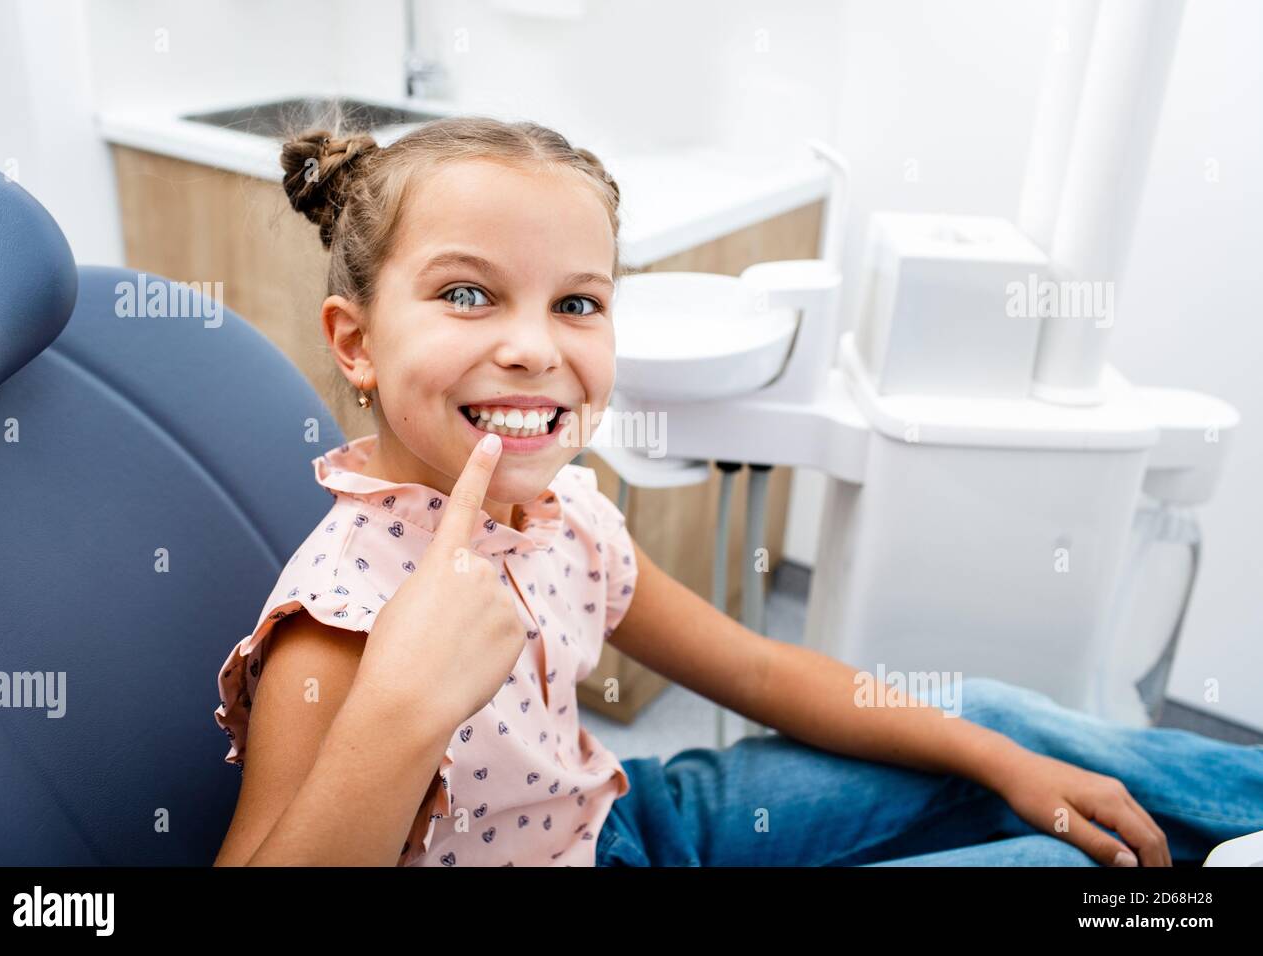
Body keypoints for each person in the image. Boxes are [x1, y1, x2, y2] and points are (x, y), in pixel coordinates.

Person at [211, 117, 1263, 867]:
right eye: (467, 294)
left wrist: (1000, 760)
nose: (533, 346)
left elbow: (757, 666)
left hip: (629, 821)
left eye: (577, 302)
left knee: (991, 727)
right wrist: (399, 702)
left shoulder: (568, 517)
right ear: (355, 342)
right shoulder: (337, 623)